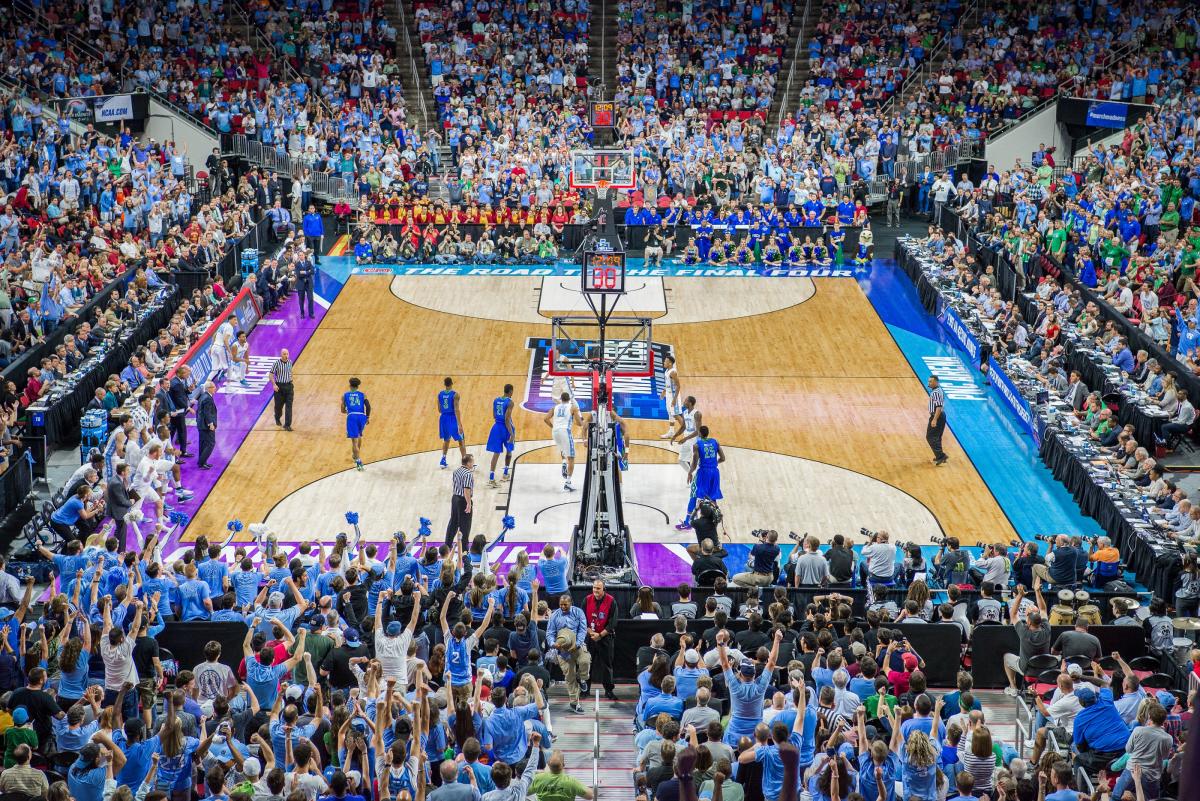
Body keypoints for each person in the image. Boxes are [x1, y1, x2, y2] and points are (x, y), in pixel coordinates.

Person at [685, 425, 724, 530]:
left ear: (699, 434)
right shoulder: (715, 442)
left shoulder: (697, 445)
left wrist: (689, 472)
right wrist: (713, 464)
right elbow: (723, 458)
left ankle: (687, 522)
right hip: (715, 473)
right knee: (713, 496)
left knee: (694, 494)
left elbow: (694, 462)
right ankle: (715, 520)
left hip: (703, 473)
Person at [585, 579, 618, 701]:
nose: (595, 590)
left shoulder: (611, 601)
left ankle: (609, 691)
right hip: (590, 638)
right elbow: (582, 619)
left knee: (607, 666)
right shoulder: (587, 600)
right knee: (587, 664)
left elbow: (612, 623)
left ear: (604, 589)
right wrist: (591, 633)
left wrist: (600, 635)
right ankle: (585, 690)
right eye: (594, 588)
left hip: (605, 639)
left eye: (598, 588)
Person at [546, 390, 584, 492]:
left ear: (561, 399)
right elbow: (580, 423)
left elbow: (546, 419)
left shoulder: (555, 407)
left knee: (563, 448)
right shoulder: (572, 407)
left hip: (555, 432)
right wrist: (582, 422)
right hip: (565, 431)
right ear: (569, 400)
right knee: (571, 457)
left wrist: (553, 426)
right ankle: (568, 483)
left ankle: (563, 462)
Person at [486, 384, 516, 487]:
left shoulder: (496, 400)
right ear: (510, 391)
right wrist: (511, 434)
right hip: (506, 429)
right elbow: (507, 419)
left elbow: (494, 415)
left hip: (496, 428)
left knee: (496, 453)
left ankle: (491, 478)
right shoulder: (510, 402)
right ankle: (505, 474)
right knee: (509, 450)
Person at [445, 454, 475, 550]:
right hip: (463, 500)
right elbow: (466, 490)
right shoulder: (468, 474)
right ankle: (464, 549)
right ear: (469, 463)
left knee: (453, 522)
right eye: (472, 462)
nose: (473, 464)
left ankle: (447, 545)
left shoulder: (456, 471)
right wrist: (469, 503)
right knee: (465, 526)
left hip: (455, 498)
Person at [342, 377, 371, 471]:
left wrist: (347, 410)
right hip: (362, 416)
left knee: (354, 441)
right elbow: (368, 406)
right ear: (358, 386)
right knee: (359, 436)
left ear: (350, 385)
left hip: (352, 417)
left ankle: (358, 461)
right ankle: (355, 455)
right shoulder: (363, 394)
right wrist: (367, 417)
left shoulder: (345, 395)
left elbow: (342, 410)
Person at [438, 376, 466, 469]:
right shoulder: (455, 394)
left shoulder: (440, 394)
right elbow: (456, 410)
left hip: (443, 418)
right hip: (452, 418)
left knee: (446, 440)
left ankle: (443, 459)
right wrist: (459, 424)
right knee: (461, 439)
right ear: (452, 383)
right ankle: (465, 461)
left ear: (444, 384)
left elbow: (439, 409)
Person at [196, 381, 218, 470]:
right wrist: (211, 424)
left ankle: (202, 462)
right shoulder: (208, 398)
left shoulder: (203, 396)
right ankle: (201, 462)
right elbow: (207, 413)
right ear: (209, 388)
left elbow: (199, 411)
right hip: (206, 425)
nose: (215, 388)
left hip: (201, 424)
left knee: (203, 444)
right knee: (211, 443)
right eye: (213, 387)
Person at [271, 349, 295, 430]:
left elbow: (290, 371)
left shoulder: (290, 362)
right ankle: (277, 417)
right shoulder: (276, 363)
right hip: (279, 387)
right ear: (281, 355)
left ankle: (287, 425)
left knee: (289, 406)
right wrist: (274, 384)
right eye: (284, 354)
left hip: (289, 387)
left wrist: (291, 379)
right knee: (278, 407)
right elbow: (270, 374)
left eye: (287, 354)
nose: (286, 355)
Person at [926, 375, 947, 465]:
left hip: (937, 416)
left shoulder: (936, 393)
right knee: (937, 437)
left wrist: (934, 419)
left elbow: (939, 407)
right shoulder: (938, 390)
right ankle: (940, 456)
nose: (929, 383)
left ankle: (941, 456)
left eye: (930, 381)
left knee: (930, 437)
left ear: (936, 382)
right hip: (940, 416)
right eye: (929, 381)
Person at [661, 354, 681, 439]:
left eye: (665, 361)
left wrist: (674, 399)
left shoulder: (673, 372)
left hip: (673, 395)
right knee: (670, 413)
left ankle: (686, 430)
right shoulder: (667, 371)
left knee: (676, 414)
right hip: (669, 395)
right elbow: (668, 384)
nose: (664, 362)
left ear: (670, 363)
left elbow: (678, 386)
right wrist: (664, 392)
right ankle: (671, 432)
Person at [294, 248, 316, 319]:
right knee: (301, 300)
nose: (301, 256)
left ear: (304, 255)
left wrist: (304, 272)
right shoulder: (297, 264)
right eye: (299, 255)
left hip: (309, 283)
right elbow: (298, 274)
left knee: (310, 299)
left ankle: (311, 313)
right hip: (301, 284)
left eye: (302, 255)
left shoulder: (308, 262)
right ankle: (302, 313)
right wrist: (307, 272)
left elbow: (313, 271)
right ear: (298, 256)